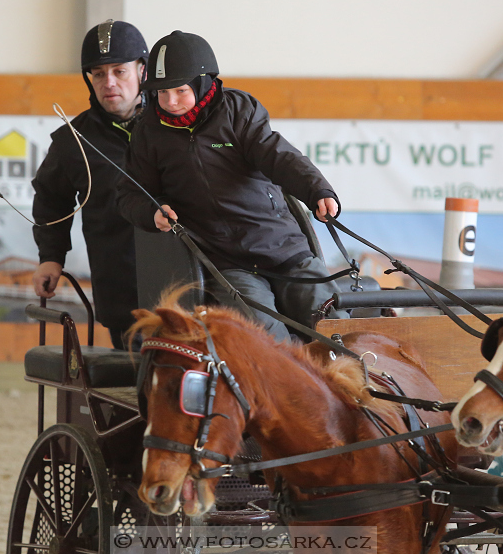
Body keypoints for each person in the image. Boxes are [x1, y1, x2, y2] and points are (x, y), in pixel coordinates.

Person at [117, 30, 348, 342]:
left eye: (180, 91)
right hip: (228, 264)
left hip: (283, 249)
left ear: (202, 83)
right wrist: (151, 212)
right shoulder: (147, 134)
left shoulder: (239, 111)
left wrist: (317, 190)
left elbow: (278, 155)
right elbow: (129, 194)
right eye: (161, 93)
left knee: (333, 323)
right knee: (262, 336)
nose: (170, 102)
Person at [31, 20, 148, 350]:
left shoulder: (174, 125)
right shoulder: (73, 141)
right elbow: (51, 198)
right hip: (121, 292)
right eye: (98, 74)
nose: (108, 82)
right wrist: (50, 257)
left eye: (119, 71)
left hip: (184, 289)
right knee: (132, 394)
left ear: (142, 70)